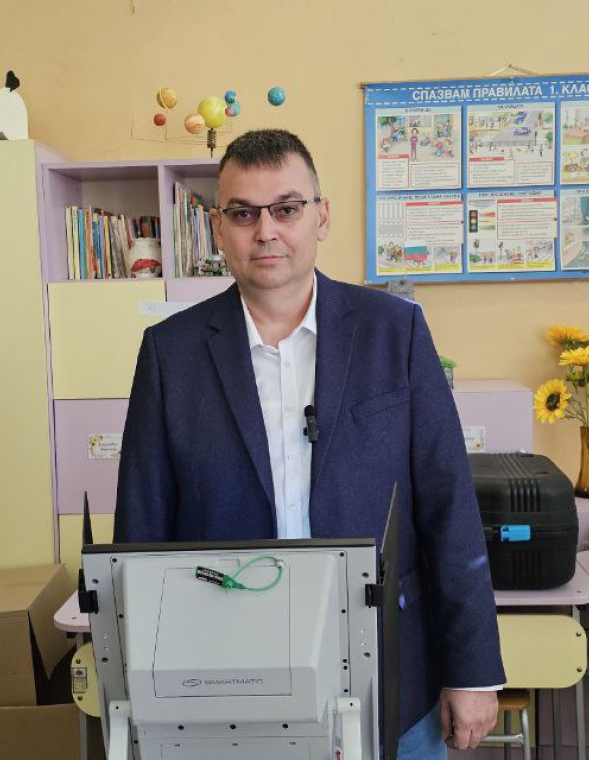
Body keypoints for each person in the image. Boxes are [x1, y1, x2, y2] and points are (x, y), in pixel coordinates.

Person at [114, 129, 504, 758]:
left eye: (287, 208)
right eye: (243, 213)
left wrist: (473, 670)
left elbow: (448, 504)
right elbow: (143, 527)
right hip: (225, 677)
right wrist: (143, 679)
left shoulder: (395, 332)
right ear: (218, 229)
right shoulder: (170, 353)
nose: (266, 231)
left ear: (321, 217)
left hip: (391, 668)